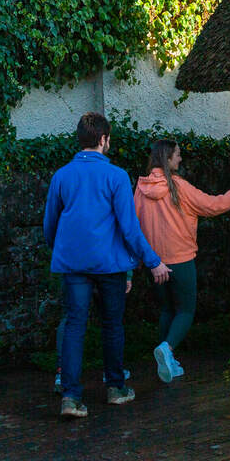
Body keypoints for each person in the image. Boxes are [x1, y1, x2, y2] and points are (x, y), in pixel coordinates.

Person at [43, 112, 170, 419]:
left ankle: (71, 398)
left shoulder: (61, 176)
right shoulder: (115, 176)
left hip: (73, 265)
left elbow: (50, 225)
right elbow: (129, 228)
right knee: (112, 326)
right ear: (103, 140)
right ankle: (116, 388)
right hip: (110, 265)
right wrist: (153, 262)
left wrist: (63, 250)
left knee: (75, 325)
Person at [133, 140, 230, 384]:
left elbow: (133, 226)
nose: (180, 159)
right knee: (186, 311)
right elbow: (215, 205)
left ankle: (167, 359)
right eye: (177, 155)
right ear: (168, 158)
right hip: (180, 260)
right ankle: (167, 349)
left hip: (154, 263)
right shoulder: (179, 187)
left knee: (167, 310)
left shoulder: (141, 188)